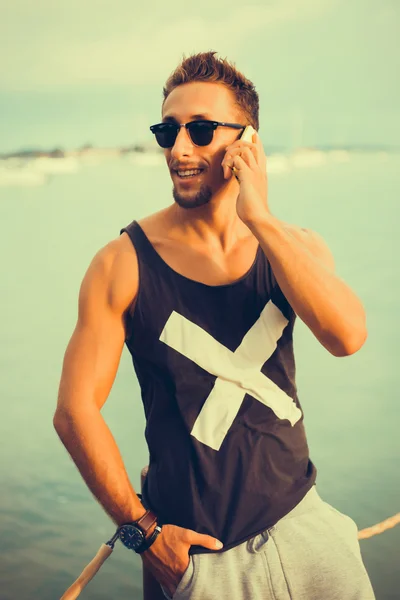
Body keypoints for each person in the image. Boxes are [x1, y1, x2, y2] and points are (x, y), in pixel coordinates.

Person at [54, 51, 376, 600]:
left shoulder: (291, 246)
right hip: (201, 561)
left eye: (201, 131)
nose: (179, 150)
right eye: (167, 131)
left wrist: (261, 218)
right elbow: (74, 411)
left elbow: (347, 337)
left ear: (246, 140)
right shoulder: (122, 264)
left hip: (309, 528)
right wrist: (144, 533)